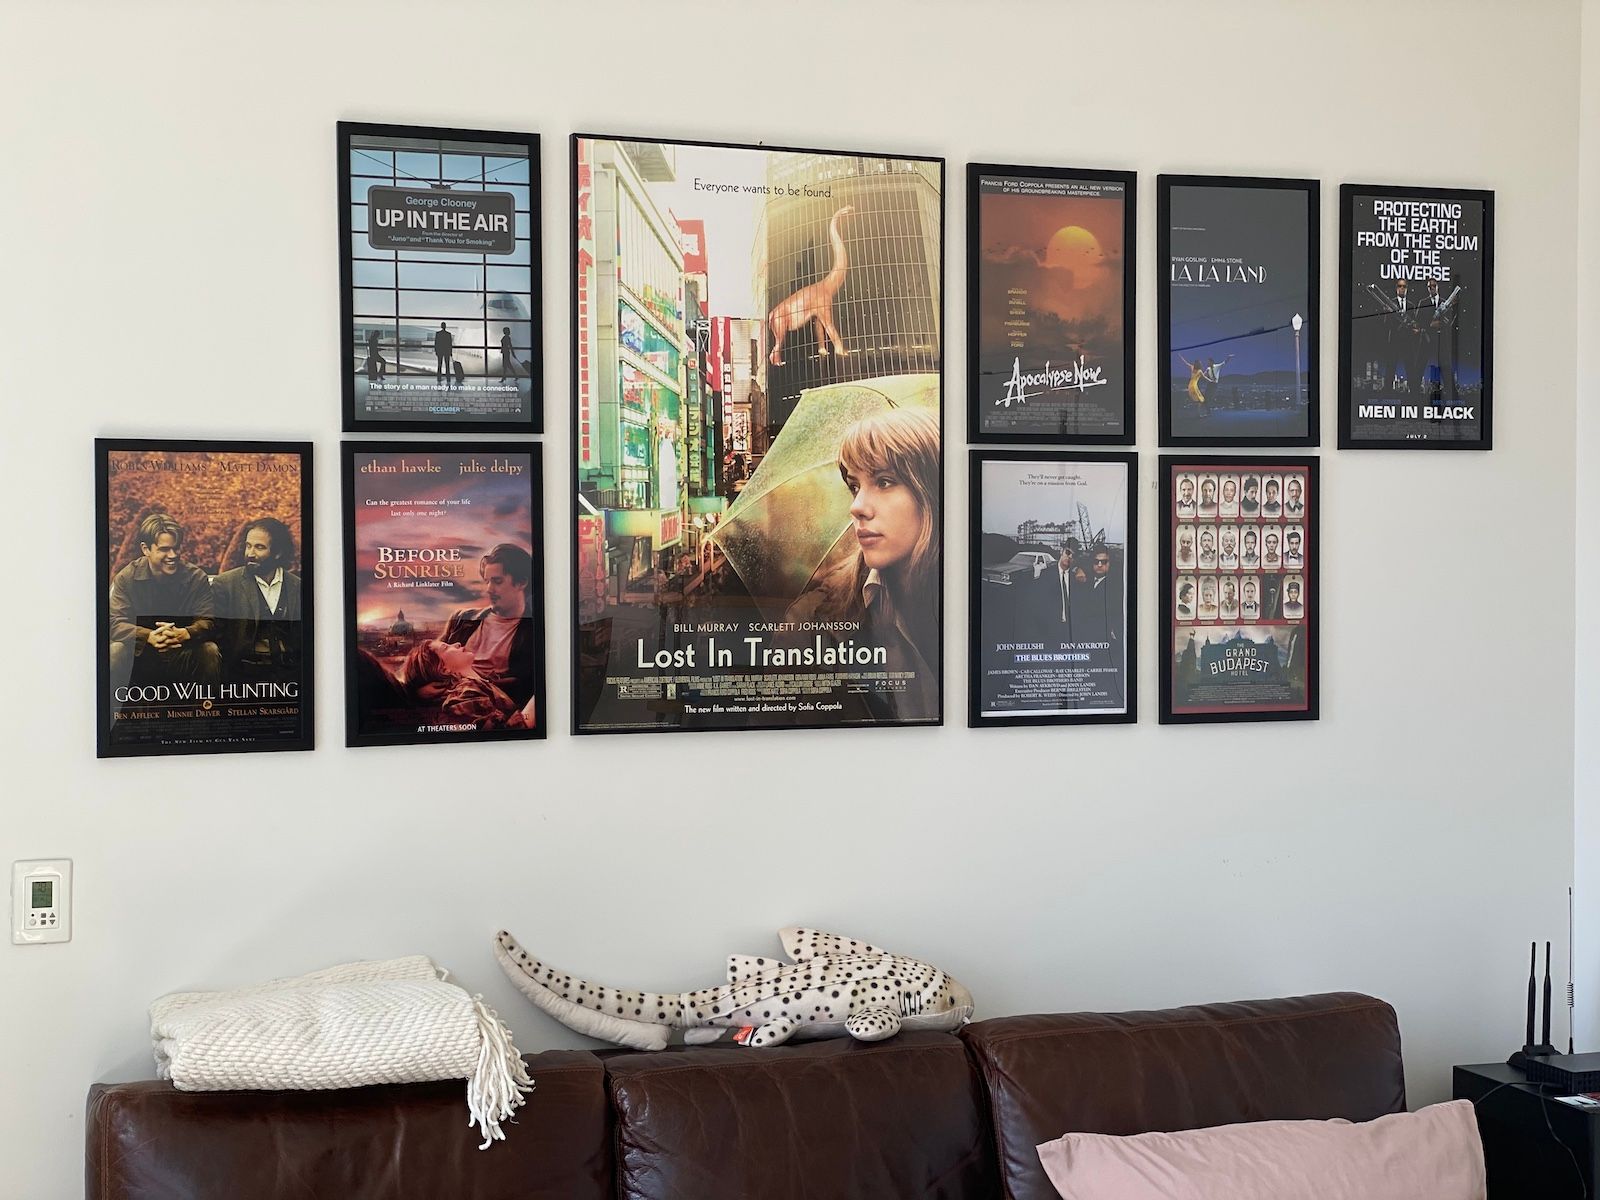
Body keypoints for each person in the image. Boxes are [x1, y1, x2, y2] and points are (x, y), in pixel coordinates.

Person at [784, 408, 940, 720]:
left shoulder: (993, 595)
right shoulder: (812, 620)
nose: (857, 507)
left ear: (933, 492)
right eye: (855, 486)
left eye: (884, 482)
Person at [108, 513, 220, 688]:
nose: (173, 555)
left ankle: (204, 711)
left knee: (209, 650)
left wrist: (184, 633)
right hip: (139, 658)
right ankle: (113, 713)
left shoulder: (196, 578)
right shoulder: (126, 578)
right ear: (146, 549)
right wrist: (149, 636)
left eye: (176, 548)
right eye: (164, 549)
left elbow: (208, 621)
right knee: (115, 651)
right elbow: (114, 623)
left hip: (182, 654)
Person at [438, 543, 540, 712]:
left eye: (497, 581)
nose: (488, 589)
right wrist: (419, 687)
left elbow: (528, 685)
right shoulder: (462, 619)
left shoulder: (536, 631)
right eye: (487, 582)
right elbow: (430, 658)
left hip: (492, 712)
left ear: (521, 582)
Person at [211, 517, 302, 683]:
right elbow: (218, 635)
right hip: (243, 678)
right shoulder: (226, 584)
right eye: (248, 546)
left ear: (278, 552)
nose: (250, 554)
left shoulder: (297, 587)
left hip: (292, 678)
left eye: (259, 547)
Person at [402, 638, 535, 730]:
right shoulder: (464, 695)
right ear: (443, 669)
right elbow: (505, 736)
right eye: (446, 647)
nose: (457, 643)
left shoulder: (477, 684)